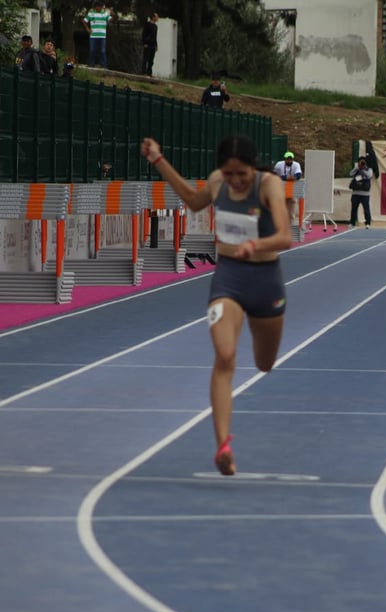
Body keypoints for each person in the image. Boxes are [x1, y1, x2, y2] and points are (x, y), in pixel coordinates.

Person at [139, 134, 292, 476]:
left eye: (242, 174)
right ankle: (223, 445)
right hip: (230, 278)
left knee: (264, 363)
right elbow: (194, 202)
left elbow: (285, 237)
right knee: (224, 356)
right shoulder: (216, 181)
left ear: (254, 168)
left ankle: (259, 332)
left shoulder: (269, 185)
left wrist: (256, 244)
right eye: (229, 173)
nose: (235, 180)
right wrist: (158, 160)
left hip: (266, 279)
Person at [273, 151, 302, 226]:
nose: (289, 160)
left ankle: (290, 227)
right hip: (281, 188)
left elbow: (298, 175)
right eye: (287, 159)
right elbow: (274, 175)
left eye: (290, 159)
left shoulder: (296, 164)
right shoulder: (279, 164)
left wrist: (287, 178)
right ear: (284, 159)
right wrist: (286, 177)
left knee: (291, 210)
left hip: (291, 188)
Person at [83, 1, 114, 68]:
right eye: (98, 7)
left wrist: (112, 13)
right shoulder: (91, 13)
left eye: (100, 7)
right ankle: (91, 64)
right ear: (95, 7)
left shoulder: (105, 13)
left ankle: (103, 66)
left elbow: (110, 20)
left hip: (102, 36)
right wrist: (87, 29)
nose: (99, 8)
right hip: (93, 35)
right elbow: (84, 21)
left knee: (102, 51)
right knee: (92, 50)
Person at [348, 156, 373, 230]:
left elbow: (369, 176)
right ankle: (352, 223)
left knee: (366, 209)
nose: (362, 163)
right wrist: (357, 168)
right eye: (360, 162)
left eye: (363, 162)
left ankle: (368, 223)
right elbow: (350, 174)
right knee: (354, 209)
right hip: (355, 193)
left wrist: (363, 169)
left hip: (365, 194)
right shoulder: (356, 169)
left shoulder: (369, 170)